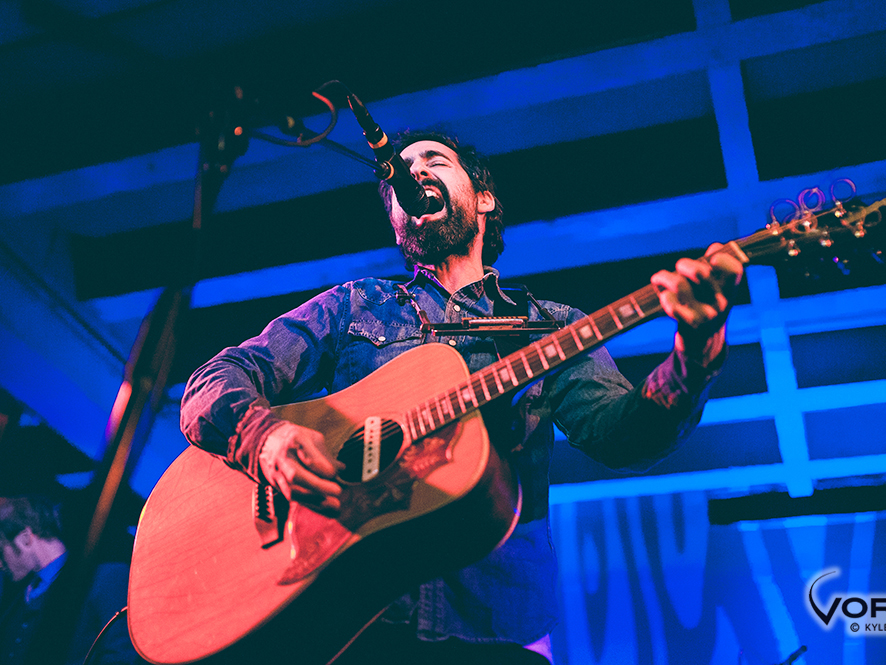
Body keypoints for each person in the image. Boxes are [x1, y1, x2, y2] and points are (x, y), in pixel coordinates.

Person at [180, 129, 744, 663]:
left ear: (484, 201)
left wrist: (695, 356)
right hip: (359, 624)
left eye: (435, 162)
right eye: (400, 175)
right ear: (398, 220)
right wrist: (265, 437)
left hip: (496, 628)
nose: (414, 172)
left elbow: (628, 437)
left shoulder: (548, 327)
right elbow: (214, 380)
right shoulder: (353, 306)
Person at [0, 495, 137, 665]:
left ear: (25, 537)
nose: (0, 563)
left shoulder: (104, 577)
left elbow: (121, 654)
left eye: (0, 550)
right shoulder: (21, 598)